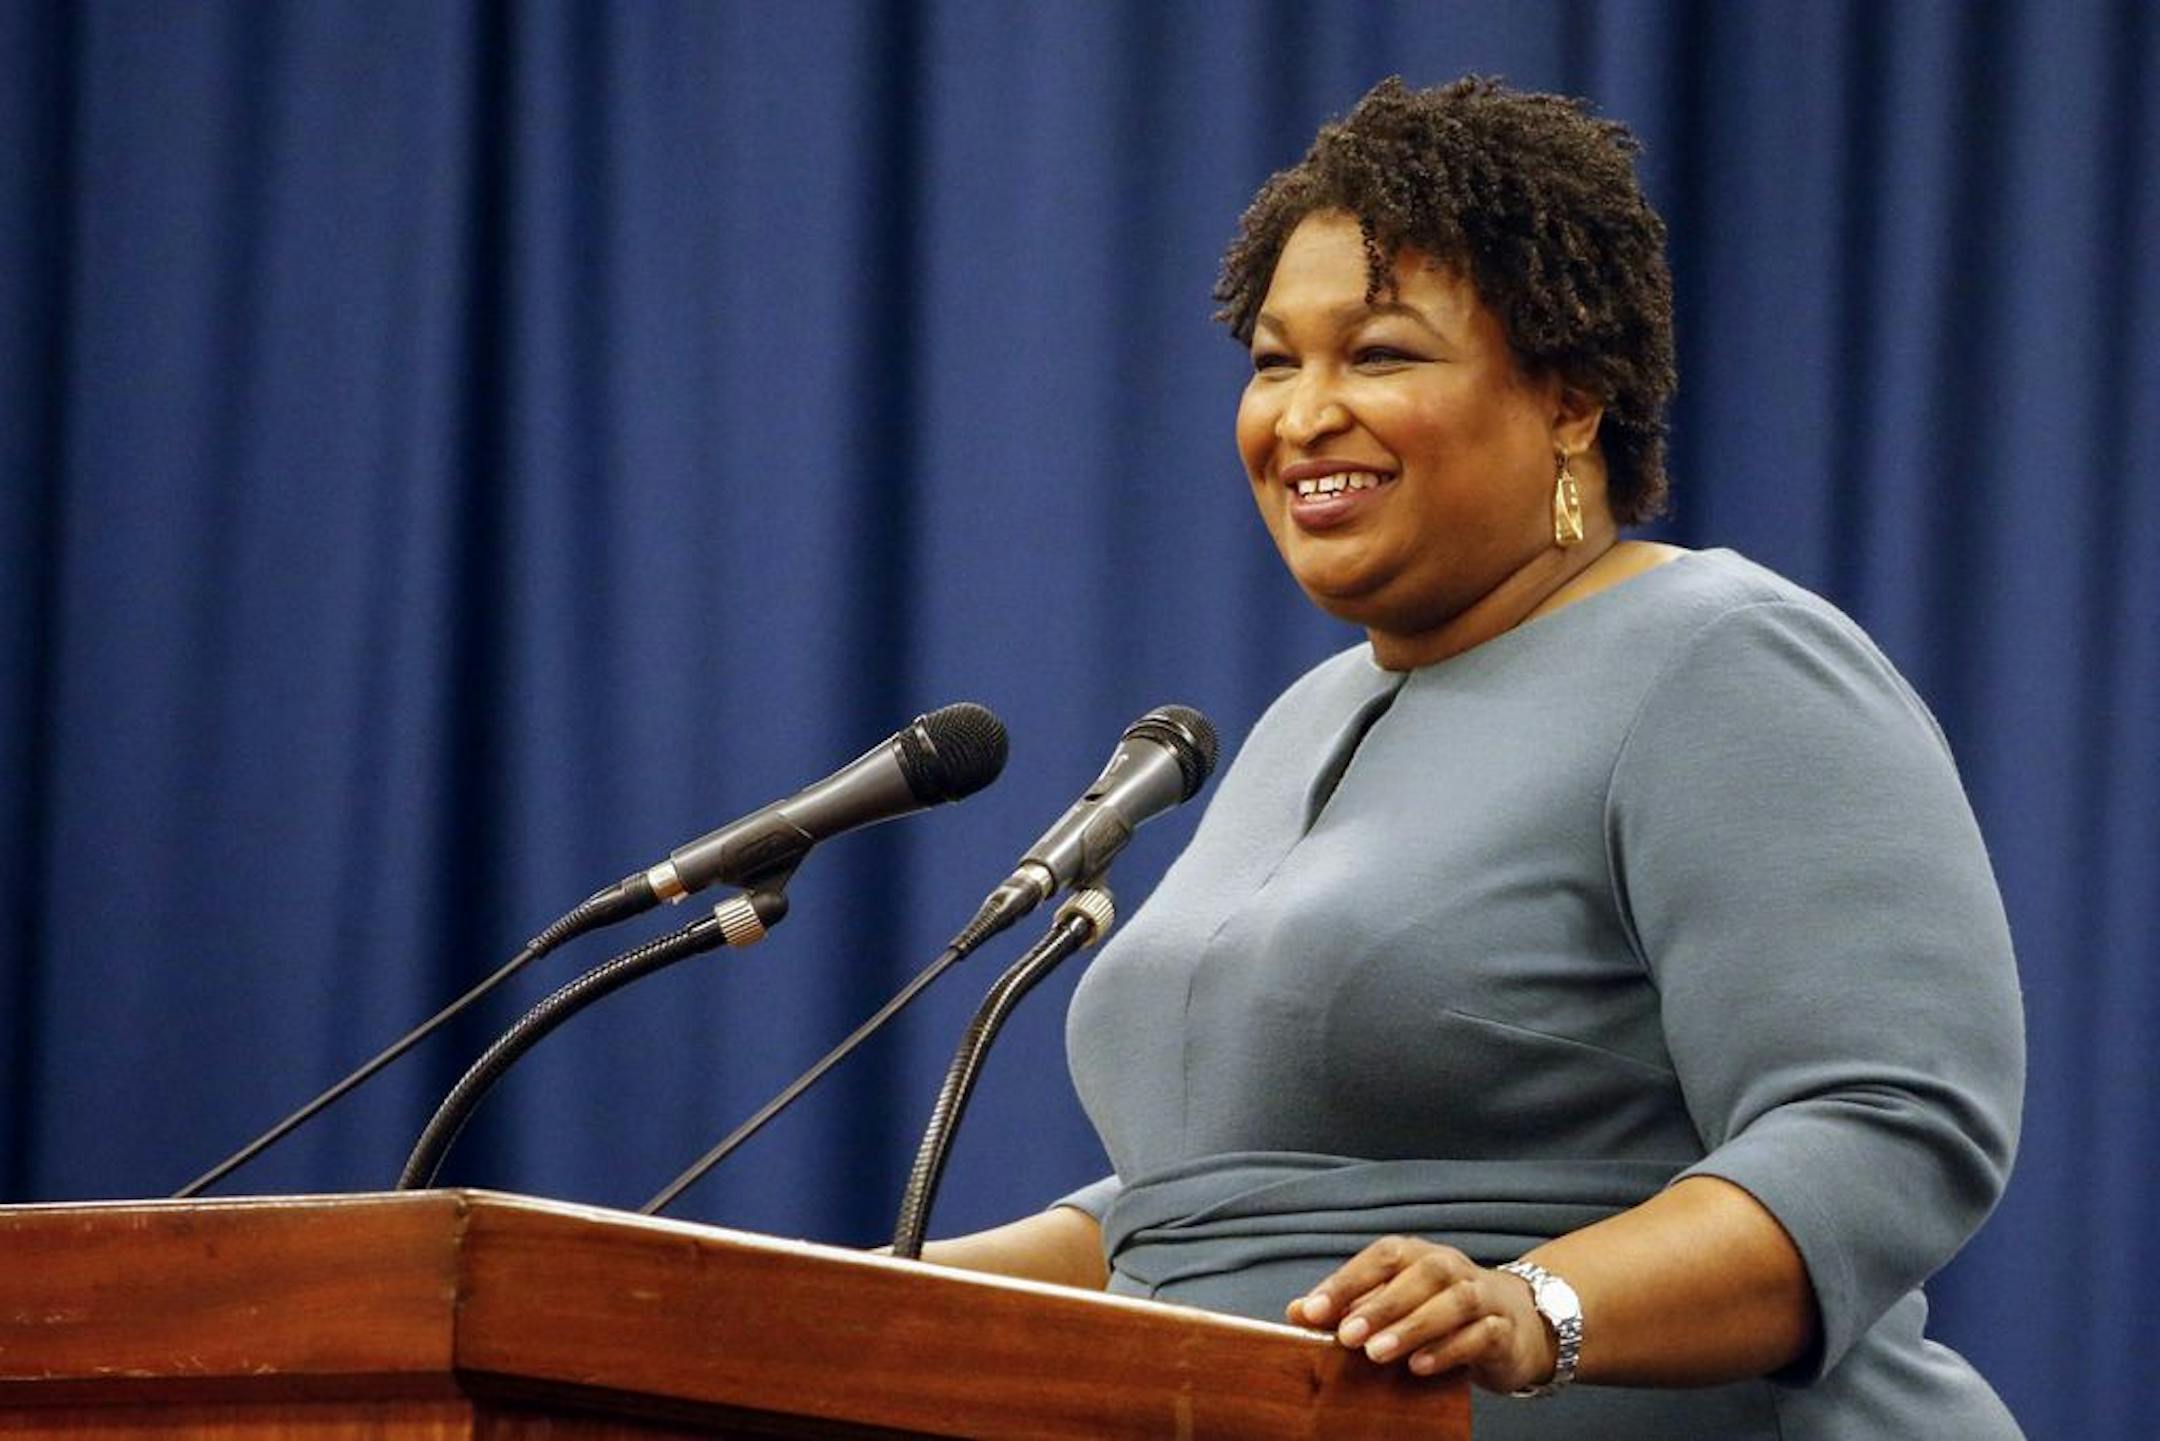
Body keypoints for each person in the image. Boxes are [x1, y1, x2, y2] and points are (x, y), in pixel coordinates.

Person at [924, 76, 2024, 1439]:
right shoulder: (1307, 719)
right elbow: (1201, 1221)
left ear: (1570, 400)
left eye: (1378, 355)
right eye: (1276, 363)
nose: (1305, 414)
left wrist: (1537, 1307)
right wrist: (841, 1299)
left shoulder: (1725, 659)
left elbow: (1886, 1126)